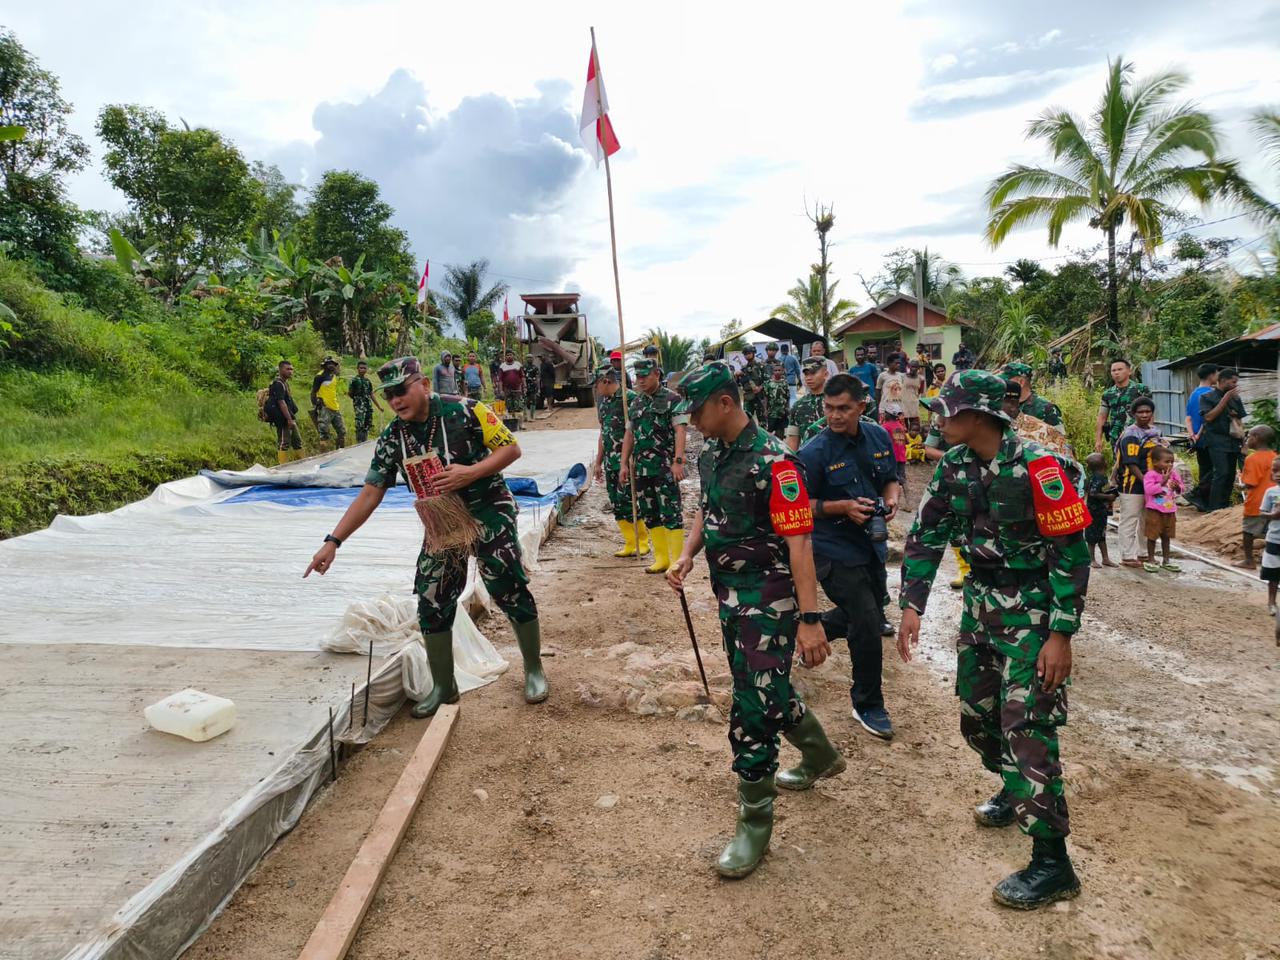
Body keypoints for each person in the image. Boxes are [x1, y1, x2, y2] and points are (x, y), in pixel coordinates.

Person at [898, 369, 1089, 910]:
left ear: (977, 415)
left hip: (1034, 611)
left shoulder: (1039, 465)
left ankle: (1053, 863)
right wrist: (912, 605)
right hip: (981, 608)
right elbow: (925, 535)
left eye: (947, 410)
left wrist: (1061, 634)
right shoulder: (955, 466)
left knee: (1026, 726)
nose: (939, 419)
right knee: (976, 716)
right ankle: (1013, 785)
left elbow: (1071, 553)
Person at [666, 362, 846, 879]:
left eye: (697, 411)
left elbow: (800, 543)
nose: (692, 422)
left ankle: (754, 821)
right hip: (730, 595)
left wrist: (811, 620)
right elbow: (707, 510)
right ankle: (820, 756)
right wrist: (687, 554)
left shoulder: (776, 461)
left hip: (771, 601)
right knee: (761, 685)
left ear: (725, 403)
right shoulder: (714, 455)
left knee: (751, 706)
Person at [304, 356, 548, 715]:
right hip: (442, 523)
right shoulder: (393, 437)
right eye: (389, 396)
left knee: (506, 582)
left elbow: (511, 448)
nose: (396, 401)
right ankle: (443, 686)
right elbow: (371, 492)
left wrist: (470, 473)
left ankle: (534, 669)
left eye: (402, 391)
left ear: (425, 385)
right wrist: (333, 541)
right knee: (431, 597)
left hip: (488, 509)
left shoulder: (467, 411)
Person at [796, 374, 900, 739]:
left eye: (843, 408)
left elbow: (891, 477)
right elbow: (794, 507)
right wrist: (839, 507)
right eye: (828, 408)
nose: (835, 416)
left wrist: (891, 499)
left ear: (862, 406)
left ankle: (806, 628)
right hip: (832, 547)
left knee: (867, 608)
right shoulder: (813, 452)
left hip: (870, 543)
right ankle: (868, 704)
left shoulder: (878, 436)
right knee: (869, 624)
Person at [619, 357, 688, 574]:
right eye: (637, 376)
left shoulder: (672, 399)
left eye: (644, 376)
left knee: (671, 512)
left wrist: (678, 461)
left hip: (665, 467)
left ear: (656, 374)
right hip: (642, 468)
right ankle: (661, 559)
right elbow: (629, 434)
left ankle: (676, 561)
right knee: (650, 512)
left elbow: (680, 430)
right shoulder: (636, 402)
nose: (639, 380)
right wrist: (623, 464)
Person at [592, 363, 649, 558]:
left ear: (606, 381)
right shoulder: (604, 402)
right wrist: (598, 462)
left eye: (597, 385)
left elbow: (637, 432)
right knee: (616, 501)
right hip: (610, 461)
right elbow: (603, 434)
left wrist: (630, 460)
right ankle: (630, 542)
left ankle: (642, 541)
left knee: (630, 500)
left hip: (628, 460)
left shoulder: (630, 399)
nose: (595, 389)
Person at [1114, 397, 1163, 569]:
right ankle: (1127, 555)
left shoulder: (1155, 433)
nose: (1144, 415)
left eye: (1147, 411)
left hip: (1151, 484)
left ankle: (1143, 553)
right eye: (1140, 412)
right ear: (1133, 414)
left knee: (1147, 519)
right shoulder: (1130, 435)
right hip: (1132, 483)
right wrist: (1147, 483)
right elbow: (1130, 462)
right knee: (1130, 518)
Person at [1198, 366, 1247, 512]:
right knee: (1221, 473)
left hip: (1233, 441)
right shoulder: (1206, 397)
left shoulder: (1236, 398)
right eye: (1232, 382)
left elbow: (1240, 419)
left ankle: (1224, 506)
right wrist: (1225, 399)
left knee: (1230, 475)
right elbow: (1209, 417)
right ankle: (1214, 508)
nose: (1235, 386)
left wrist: (1242, 437)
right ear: (1223, 381)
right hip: (1216, 441)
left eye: (1236, 383)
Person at [1239, 425, 1277, 568]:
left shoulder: (1252, 459)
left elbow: (1250, 482)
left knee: (1248, 532)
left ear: (1256, 438)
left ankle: (1249, 560)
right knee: (1271, 532)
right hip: (1273, 504)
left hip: (1256, 503)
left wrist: (1241, 485)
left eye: (1248, 437)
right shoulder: (1275, 457)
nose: (1247, 440)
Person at [1095, 358, 1151, 452]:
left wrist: (1150, 434)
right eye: (1114, 370)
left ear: (1129, 371)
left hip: (1138, 436)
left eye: (1120, 369)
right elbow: (1102, 417)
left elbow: (1150, 413)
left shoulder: (1141, 390)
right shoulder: (1108, 394)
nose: (1116, 372)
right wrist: (1098, 440)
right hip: (1116, 437)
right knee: (1119, 464)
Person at [1184, 363, 1220, 510]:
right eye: (1217, 373)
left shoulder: (1194, 393)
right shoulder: (1210, 394)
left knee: (1205, 469)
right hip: (1207, 437)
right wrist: (1198, 435)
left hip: (1197, 439)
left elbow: (1188, 418)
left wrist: (1192, 434)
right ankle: (1197, 494)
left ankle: (1202, 501)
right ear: (1211, 375)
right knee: (1214, 470)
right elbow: (1208, 419)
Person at [1143, 447, 1183, 573]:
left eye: (1171, 462)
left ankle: (1166, 560)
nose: (1170, 464)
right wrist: (1163, 481)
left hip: (1170, 510)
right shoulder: (1150, 475)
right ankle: (1151, 559)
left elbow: (1181, 487)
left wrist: (1178, 487)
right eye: (1166, 462)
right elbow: (1149, 490)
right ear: (1155, 462)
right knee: (1152, 535)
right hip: (1154, 510)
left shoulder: (1174, 474)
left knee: (1167, 536)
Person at [785, 357, 829, 452]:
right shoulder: (798, 406)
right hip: (809, 461)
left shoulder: (837, 402)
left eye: (813, 373)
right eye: (806, 374)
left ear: (826, 374)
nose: (808, 378)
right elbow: (793, 441)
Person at [1001, 362, 1063, 427]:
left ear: (1021, 382)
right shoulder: (1001, 405)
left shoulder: (1046, 409)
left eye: (1005, 381)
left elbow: (1058, 435)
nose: (1001, 384)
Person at [1255, 457, 1280, 617]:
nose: (1277, 474)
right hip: (1275, 539)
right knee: (1273, 574)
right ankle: (1271, 601)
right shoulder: (1271, 492)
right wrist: (1273, 515)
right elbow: (1261, 513)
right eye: (1275, 470)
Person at [1084, 453, 1117, 568]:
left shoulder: (1101, 477)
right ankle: (1092, 559)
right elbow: (1093, 493)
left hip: (1101, 512)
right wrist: (1108, 497)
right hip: (1094, 513)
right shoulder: (1097, 478)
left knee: (1102, 536)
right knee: (1092, 537)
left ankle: (1105, 559)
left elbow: (1104, 490)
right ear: (1105, 464)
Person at [267, 359, 302, 464]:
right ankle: (283, 466)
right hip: (283, 418)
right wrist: (289, 419)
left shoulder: (285, 383)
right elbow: (281, 403)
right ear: (280, 369)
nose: (290, 371)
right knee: (284, 442)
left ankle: (302, 462)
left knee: (297, 441)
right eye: (287, 369)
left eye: (291, 369)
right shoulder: (278, 384)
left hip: (289, 417)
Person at [310, 356, 346, 450]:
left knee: (342, 432)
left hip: (335, 407)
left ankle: (340, 451)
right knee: (324, 433)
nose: (331, 366)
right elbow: (313, 392)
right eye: (329, 364)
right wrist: (315, 406)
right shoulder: (319, 376)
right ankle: (324, 456)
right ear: (325, 365)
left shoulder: (334, 376)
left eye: (333, 364)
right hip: (324, 408)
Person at [347, 359, 385, 444]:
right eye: (361, 368)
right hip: (359, 406)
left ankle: (364, 441)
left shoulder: (368, 381)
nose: (363, 370)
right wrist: (357, 400)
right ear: (357, 368)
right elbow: (350, 393)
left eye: (364, 368)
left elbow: (371, 394)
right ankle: (359, 443)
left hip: (368, 406)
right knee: (359, 423)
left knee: (367, 423)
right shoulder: (354, 380)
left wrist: (379, 406)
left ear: (366, 369)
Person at [736, 344, 769, 426]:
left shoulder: (761, 366)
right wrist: (737, 376)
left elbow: (768, 381)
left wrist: (760, 388)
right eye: (745, 354)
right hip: (748, 397)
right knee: (746, 421)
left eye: (749, 353)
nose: (747, 355)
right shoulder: (743, 369)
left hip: (759, 397)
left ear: (753, 353)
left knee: (762, 422)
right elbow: (739, 384)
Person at [876, 354, 905, 419]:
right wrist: (879, 408)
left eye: (899, 363)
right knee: (885, 428)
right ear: (889, 363)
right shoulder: (882, 376)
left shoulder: (901, 376)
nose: (898, 365)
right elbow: (877, 392)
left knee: (899, 428)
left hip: (899, 409)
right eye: (896, 363)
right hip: (885, 410)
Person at [765, 363, 790, 438]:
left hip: (782, 411)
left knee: (780, 432)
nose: (777, 372)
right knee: (770, 429)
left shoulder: (785, 383)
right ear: (773, 371)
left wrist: (788, 407)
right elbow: (766, 397)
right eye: (775, 370)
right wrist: (765, 409)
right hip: (772, 411)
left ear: (782, 371)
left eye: (779, 370)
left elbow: (787, 396)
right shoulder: (769, 383)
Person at [497, 351, 525, 415]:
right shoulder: (502, 366)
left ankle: (519, 423)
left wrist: (524, 387)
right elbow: (500, 380)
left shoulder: (518, 364)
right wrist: (501, 390)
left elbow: (522, 377)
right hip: (507, 390)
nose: (509, 356)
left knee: (519, 407)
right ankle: (512, 422)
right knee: (509, 408)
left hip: (517, 389)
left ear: (513, 356)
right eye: (507, 355)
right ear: (505, 357)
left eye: (510, 355)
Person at [902, 361, 924, 434]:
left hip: (914, 402)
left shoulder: (921, 378)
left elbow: (921, 391)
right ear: (909, 367)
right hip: (903, 402)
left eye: (915, 367)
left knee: (914, 423)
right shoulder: (903, 376)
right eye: (912, 366)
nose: (913, 368)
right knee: (904, 423)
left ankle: (913, 439)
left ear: (918, 368)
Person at [779, 342, 801, 406]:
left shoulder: (778, 360)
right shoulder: (793, 358)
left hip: (782, 381)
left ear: (781, 350)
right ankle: (792, 411)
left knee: (783, 397)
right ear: (788, 350)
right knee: (793, 397)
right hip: (791, 380)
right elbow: (798, 370)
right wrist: (799, 380)